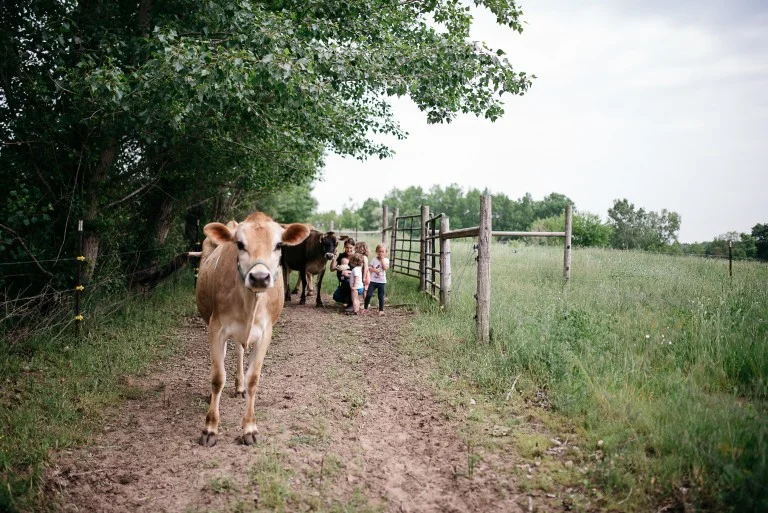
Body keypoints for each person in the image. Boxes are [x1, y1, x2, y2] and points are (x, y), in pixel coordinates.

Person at [364, 243, 389, 315]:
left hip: (381, 281)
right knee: (369, 294)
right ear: (376, 252)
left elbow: (385, 268)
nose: (380, 253)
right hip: (373, 280)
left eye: (382, 251)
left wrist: (382, 260)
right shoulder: (373, 259)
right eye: (379, 251)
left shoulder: (386, 260)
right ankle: (365, 308)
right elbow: (369, 268)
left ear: (385, 252)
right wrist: (374, 270)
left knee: (381, 296)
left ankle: (381, 310)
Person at [330, 238, 355, 308]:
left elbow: (360, 272)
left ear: (354, 247)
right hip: (343, 282)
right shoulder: (341, 256)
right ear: (344, 247)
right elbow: (332, 269)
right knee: (336, 297)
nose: (349, 250)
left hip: (354, 283)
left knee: (348, 282)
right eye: (347, 247)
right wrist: (335, 258)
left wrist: (349, 272)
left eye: (351, 248)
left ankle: (351, 303)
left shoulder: (356, 257)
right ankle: (348, 299)